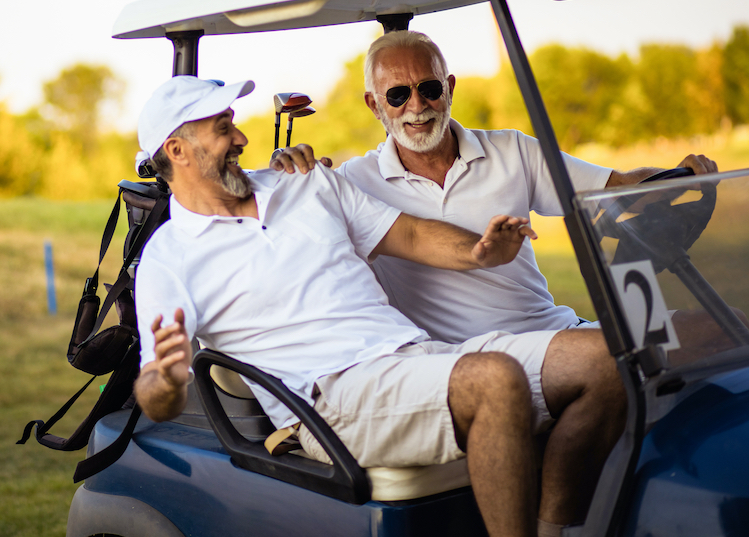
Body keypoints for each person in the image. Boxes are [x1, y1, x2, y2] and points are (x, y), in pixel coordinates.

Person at [133, 75, 626, 537]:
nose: (241, 139)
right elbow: (156, 394)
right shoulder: (169, 257)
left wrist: (479, 251)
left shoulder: (302, 183)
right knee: (494, 379)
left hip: (413, 356)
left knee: (607, 359)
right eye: (223, 130)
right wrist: (170, 378)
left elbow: (408, 232)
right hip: (325, 400)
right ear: (177, 150)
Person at [275, 29, 719, 345]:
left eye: (429, 88)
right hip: (465, 360)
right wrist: (288, 170)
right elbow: (288, 234)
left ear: (449, 89)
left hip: (552, 330)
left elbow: (615, 187)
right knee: (624, 362)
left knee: (719, 329)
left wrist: (678, 176)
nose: (417, 106)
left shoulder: (511, 150)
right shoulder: (356, 182)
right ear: (375, 105)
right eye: (397, 95)